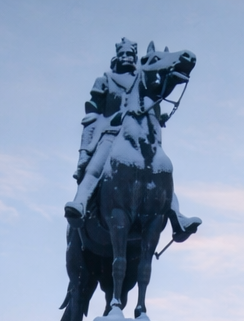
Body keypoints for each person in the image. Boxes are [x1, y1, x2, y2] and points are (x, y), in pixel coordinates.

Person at [65, 38, 200, 240]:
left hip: (140, 136)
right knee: (96, 166)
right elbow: (92, 115)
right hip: (111, 135)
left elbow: (158, 92)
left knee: (160, 171)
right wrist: (84, 151)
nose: (127, 57)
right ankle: (81, 204)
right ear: (117, 57)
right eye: (123, 54)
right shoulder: (105, 80)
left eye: (130, 54)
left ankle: (176, 217)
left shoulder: (142, 78)